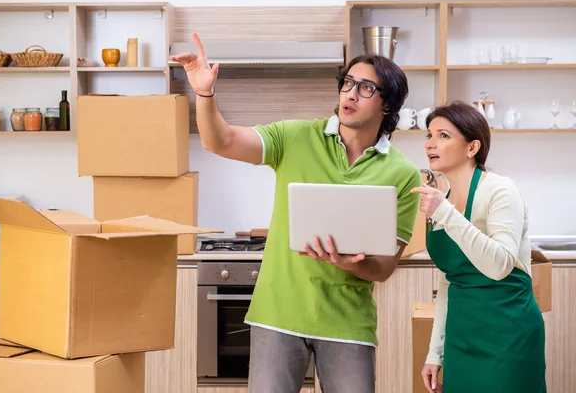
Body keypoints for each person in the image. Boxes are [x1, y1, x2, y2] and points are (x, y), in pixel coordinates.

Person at [170, 33, 422, 393]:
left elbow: (384, 268)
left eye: (366, 88)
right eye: (348, 82)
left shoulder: (402, 173)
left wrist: (350, 263)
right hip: (278, 315)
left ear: (388, 105)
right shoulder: (295, 137)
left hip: (347, 322)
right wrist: (204, 93)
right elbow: (220, 141)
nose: (350, 93)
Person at [412, 101, 546, 393]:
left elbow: (499, 265)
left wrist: (445, 212)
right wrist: (435, 353)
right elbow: (448, 281)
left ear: (472, 147)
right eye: (429, 135)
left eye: (443, 136)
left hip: (509, 335)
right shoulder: (442, 198)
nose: (430, 144)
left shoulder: (500, 190)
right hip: (462, 338)